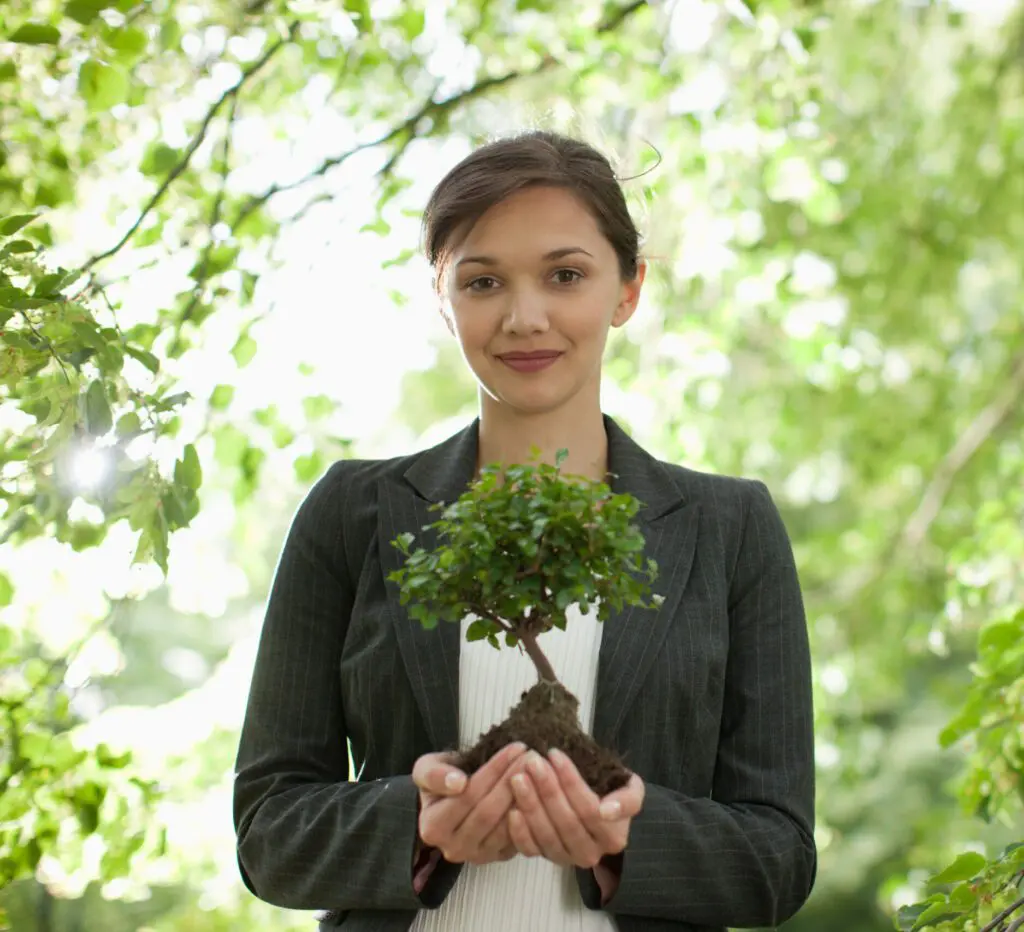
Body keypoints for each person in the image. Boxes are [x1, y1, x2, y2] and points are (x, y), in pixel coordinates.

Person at [233, 130, 817, 932]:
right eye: (482, 282)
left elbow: (779, 857)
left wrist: (627, 839)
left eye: (565, 274)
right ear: (445, 300)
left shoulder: (730, 530)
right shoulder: (352, 514)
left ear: (628, 289)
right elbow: (269, 830)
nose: (524, 316)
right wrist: (417, 825)